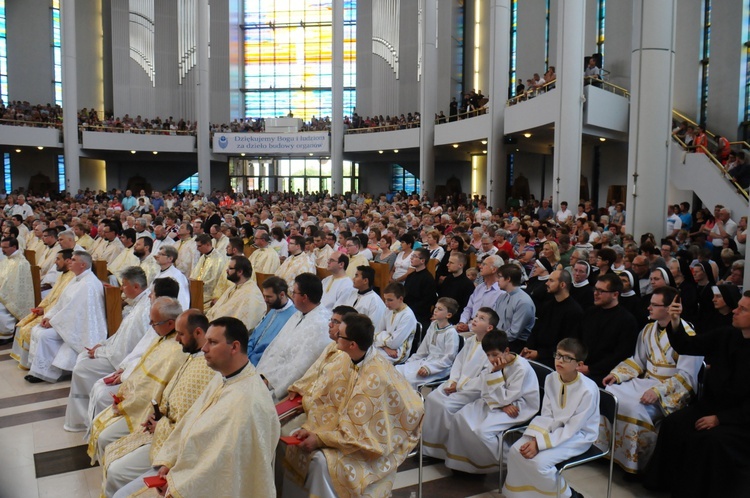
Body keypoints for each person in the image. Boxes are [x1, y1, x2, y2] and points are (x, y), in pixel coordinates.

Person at [127, 317, 280, 497]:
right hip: (183, 471)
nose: (205, 348)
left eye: (213, 342)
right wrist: (169, 460)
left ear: (234, 347)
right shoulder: (223, 377)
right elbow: (190, 420)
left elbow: (222, 466)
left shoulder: (249, 401)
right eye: (206, 341)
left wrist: (178, 483)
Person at [284, 313, 422, 498]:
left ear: (352, 344)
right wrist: (314, 431)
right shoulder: (347, 358)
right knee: (294, 442)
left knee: (320, 462)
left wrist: (319, 439)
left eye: (339, 334)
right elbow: (327, 397)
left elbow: (361, 436)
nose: (334, 336)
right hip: (347, 433)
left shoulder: (373, 379)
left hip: (370, 450)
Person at [643, 292, 750, 496]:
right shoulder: (726, 335)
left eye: (743, 309)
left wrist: (720, 419)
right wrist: (675, 321)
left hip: (739, 421)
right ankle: (663, 484)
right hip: (711, 406)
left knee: (709, 442)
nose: (734, 311)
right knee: (673, 424)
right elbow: (687, 345)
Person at [102, 310, 215, 498]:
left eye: (180, 334)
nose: (177, 339)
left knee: (117, 472)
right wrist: (156, 414)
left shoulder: (210, 370)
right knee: (111, 453)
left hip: (171, 443)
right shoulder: (191, 356)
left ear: (197, 333)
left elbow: (193, 423)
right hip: (161, 430)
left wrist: (160, 425)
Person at [599, 286, 702, 474]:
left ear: (669, 308)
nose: (649, 308)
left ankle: (635, 462)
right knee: (609, 394)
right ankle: (607, 452)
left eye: (655, 305)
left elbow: (687, 375)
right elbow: (638, 361)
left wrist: (657, 392)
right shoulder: (647, 330)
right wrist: (618, 374)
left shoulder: (688, 334)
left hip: (670, 389)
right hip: (646, 381)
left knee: (635, 407)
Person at [87, 297, 186, 465]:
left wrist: (125, 404)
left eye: (154, 323)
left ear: (170, 323)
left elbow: (152, 388)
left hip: (141, 410)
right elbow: (142, 367)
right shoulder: (163, 337)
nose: (150, 325)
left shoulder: (175, 350)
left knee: (105, 437)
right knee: (99, 424)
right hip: (130, 399)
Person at [503, 338, 599, 498]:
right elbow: (547, 415)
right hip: (551, 428)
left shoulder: (588, 390)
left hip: (578, 436)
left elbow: (572, 428)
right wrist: (535, 440)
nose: (560, 360)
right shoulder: (551, 378)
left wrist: (539, 444)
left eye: (567, 358)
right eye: (558, 355)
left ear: (579, 364)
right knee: (515, 452)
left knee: (539, 464)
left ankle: (569, 495)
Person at [64, 267, 152, 432]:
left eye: (124, 285)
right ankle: (84, 417)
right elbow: (121, 336)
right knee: (83, 358)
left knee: (81, 368)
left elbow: (128, 346)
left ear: (135, 287)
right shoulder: (140, 303)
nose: (121, 288)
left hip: (121, 360)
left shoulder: (145, 309)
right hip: (115, 354)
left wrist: (99, 352)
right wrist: (103, 345)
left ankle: (83, 418)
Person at [444, 329, 540, 473]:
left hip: (518, 406)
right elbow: (485, 386)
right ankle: (465, 462)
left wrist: (496, 376)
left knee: (482, 432)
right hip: (497, 401)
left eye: (494, 354)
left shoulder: (520, 367)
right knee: (460, 417)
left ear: (506, 350)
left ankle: (512, 461)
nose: (491, 359)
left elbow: (509, 397)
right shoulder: (494, 362)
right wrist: (501, 403)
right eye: (488, 355)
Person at [422, 307, 499, 459]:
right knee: (431, 399)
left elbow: (484, 377)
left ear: (490, 328)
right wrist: (454, 380)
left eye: (481, 318)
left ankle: (443, 450)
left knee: (445, 406)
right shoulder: (471, 340)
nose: (475, 319)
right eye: (476, 316)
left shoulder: (491, 348)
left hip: (472, 391)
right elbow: (458, 363)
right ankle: (429, 446)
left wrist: (459, 386)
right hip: (456, 385)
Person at [26, 251, 107, 383]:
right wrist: (49, 316)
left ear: (83, 264)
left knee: (45, 336)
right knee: (37, 330)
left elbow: (75, 310)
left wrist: (53, 321)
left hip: (81, 327)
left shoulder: (88, 284)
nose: (70, 262)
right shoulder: (76, 278)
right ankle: (39, 370)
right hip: (69, 322)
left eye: (73, 260)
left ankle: (48, 372)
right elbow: (61, 302)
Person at [256, 273, 332, 401]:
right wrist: (260, 374)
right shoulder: (299, 314)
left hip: (279, 387)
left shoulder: (321, 325)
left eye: (294, 292)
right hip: (265, 376)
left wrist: (269, 382)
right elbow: (275, 347)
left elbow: (299, 367)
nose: (291, 295)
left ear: (304, 297)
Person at [11, 249, 75, 366]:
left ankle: (31, 364)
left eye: (58, 259)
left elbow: (61, 301)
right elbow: (52, 296)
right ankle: (23, 360)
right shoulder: (63, 275)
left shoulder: (72, 278)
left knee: (27, 329)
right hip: (48, 310)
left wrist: (45, 310)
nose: (55, 262)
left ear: (68, 260)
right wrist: (41, 307)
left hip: (55, 314)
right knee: (22, 325)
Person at [578, 273, 638, 386]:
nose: (595, 293)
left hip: (605, 374)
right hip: (581, 366)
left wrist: (591, 369)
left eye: (601, 291)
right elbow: (579, 339)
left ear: (615, 294)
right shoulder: (590, 312)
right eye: (595, 289)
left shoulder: (627, 320)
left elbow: (620, 355)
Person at [521, 270, 583, 369]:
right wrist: (528, 348)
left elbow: (567, 343)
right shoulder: (547, 305)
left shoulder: (574, 311)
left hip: (554, 359)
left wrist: (539, 354)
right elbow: (536, 330)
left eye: (551, 280)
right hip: (535, 353)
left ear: (562, 285)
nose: (546, 283)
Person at [396, 297, 459, 387]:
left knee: (409, 379)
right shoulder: (433, 325)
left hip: (439, 368)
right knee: (398, 370)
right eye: (436, 307)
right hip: (427, 361)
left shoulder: (451, 333)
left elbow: (448, 359)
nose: (435, 310)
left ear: (448, 315)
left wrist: (429, 368)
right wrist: (412, 361)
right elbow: (424, 348)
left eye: (440, 309)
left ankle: (411, 400)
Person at [246, 276, 297, 366]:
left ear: (281, 295)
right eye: (264, 296)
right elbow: (256, 334)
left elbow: (277, 350)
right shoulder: (274, 307)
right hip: (249, 355)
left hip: (263, 363)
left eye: (269, 296)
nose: (265, 300)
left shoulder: (293, 316)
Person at [206, 255, 265, 331]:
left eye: (230, 268)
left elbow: (244, 324)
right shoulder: (235, 287)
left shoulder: (251, 294)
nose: (226, 270)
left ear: (240, 272)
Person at [372, 282, 418, 364]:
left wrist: (382, 338)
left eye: (390, 300)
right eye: (385, 299)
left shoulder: (407, 316)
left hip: (397, 352)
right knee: (362, 352)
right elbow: (376, 332)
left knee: (372, 359)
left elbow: (394, 343)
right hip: (385, 347)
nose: (386, 303)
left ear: (400, 299)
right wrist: (385, 347)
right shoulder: (388, 310)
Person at [494, 263, 536, 352]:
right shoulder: (502, 297)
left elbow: (513, 334)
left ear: (508, 279)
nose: (497, 280)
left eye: (500, 277)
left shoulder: (523, 302)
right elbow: (494, 320)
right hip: (500, 338)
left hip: (516, 344)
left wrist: (492, 339)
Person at [0, 237, 34, 344]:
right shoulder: (7, 259)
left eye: (5, 247)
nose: (2, 250)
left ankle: (6, 335)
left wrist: (2, 292)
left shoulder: (22, 263)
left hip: (11, 296)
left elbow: (17, 285)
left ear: (14, 247)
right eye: (2, 247)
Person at [457, 255, 503, 332]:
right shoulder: (480, 287)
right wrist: (462, 322)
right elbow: (468, 308)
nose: (480, 266)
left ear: (494, 269)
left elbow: (493, 320)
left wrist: (469, 327)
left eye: (484, 264)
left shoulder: (501, 292)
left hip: (484, 331)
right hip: (469, 324)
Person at [189, 233, 227, 311]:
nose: (197, 249)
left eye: (199, 246)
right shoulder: (203, 256)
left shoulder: (218, 259)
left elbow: (215, 279)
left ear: (207, 244)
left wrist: (198, 285)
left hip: (208, 297)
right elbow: (195, 272)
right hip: (197, 290)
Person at [404, 247, 438, 332]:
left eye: (414, 256)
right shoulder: (410, 276)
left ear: (422, 261)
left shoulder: (428, 279)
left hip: (419, 314)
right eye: (412, 256)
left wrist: (408, 310)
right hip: (407, 310)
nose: (411, 258)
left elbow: (427, 301)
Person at [152, 245, 190, 310]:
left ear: (170, 259)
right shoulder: (160, 272)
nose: (157, 256)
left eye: (161, 254)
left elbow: (183, 300)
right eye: (158, 253)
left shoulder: (176, 276)